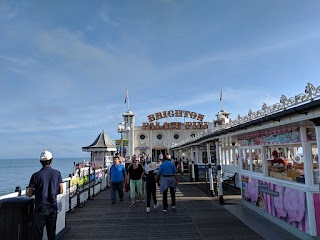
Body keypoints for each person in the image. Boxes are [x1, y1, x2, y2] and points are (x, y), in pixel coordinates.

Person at [26, 150, 63, 240]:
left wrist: (36, 192)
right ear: (51, 161)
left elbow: (29, 193)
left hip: (40, 209)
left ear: (40, 162)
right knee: (51, 234)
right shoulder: (57, 173)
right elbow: (61, 190)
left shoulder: (35, 176)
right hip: (52, 208)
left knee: (37, 235)